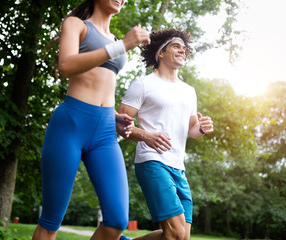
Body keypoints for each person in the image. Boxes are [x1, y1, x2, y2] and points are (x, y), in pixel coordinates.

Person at [32, 0, 150, 239]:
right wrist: (124, 45)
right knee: (51, 221)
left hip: (105, 130)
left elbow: (103, 82)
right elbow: (65, 65)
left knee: (117, 220)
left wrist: (114, 116)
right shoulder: (76, 25)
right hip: (70, 125)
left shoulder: (116, 39)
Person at [117, 28, 214, 240]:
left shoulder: (189, 91)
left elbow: (192, 129)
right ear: (161, 53)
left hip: (178, 166)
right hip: (152, 162)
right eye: (176, 46)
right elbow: (120, 123)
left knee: (183, 236)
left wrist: (203, 128)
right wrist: (146, 136)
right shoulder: (143, 85)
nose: (183, 50)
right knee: (176, 232)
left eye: (184, 48)